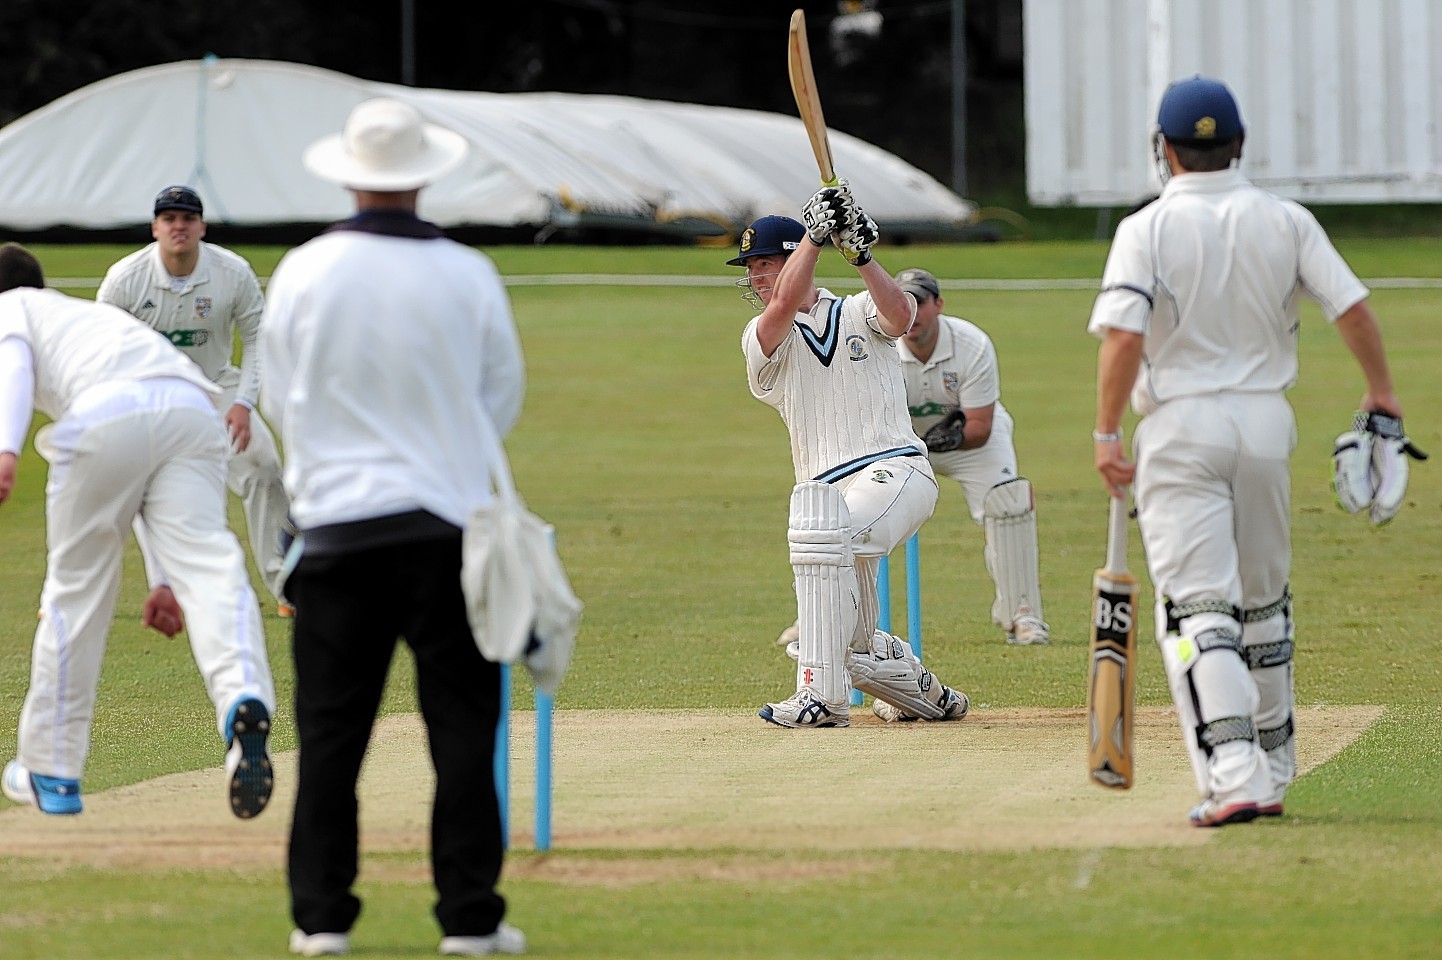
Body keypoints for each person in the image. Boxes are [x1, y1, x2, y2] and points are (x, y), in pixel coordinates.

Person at [1088, 76, 1406, 827]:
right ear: (1241, 144)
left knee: (1198, 612)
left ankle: (1235, 776)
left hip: (1181, 426)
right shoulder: (1285, 219)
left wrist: (1105, 433)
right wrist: (1383, 393)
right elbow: (1351, 307)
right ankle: (1273, 760)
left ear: (1164, 151)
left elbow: (1126, 337)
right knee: (1262, 604)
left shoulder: (1146, 228)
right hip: (1268, 425)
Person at [260, 98, 526, 957]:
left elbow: (278, 394)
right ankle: (470, 921)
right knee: (461, 731)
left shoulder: (303, 268)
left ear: (348, 172)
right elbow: (501, 396)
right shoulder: (467, 271)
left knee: (331, 737)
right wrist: (443, 448)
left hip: (336, 532)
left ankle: (322, 920)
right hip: (444, 526)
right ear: (422, 177)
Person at [0, 243, 275, 820]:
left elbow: (14, 363)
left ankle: (52, 769)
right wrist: (162, 578)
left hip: (106, 412)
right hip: (193, 410)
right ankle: (243, 699)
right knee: (211, 568)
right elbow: (149, 453)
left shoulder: (13, 308)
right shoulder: (89, 317)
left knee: (76, 590)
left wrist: (6, 449)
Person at [733, 183, 969, 729]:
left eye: (763, 264)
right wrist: (814, 238)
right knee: (846, 641)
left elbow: (901, 316)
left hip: (898, 470)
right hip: (827, 493)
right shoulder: (761, 335)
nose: (754, 278)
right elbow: (785, 306)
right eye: (749, 269)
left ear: (792, 260)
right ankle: (927, 696)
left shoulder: (862, 311)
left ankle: (821, 701)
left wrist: (860, 254)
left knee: (821, 545)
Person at [98, 185, 293, 616]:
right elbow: (102, 346)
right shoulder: (125, 279)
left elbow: (259, 338)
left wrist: (243, 402)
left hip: (216, 387)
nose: (178, 227)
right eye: (169, 219)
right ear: (155, 228)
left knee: (263, 467)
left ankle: (286, 586)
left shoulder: (233, 272)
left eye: (187, 218)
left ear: (202, 226)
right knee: (126, 485)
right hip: (150, 392)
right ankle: (104, 591)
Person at [894, 266, 1049, 646]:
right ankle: (822, 622)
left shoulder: (972, 344)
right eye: (903, 302)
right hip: (901, 443)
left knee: (1008, 505)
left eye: (920, 302)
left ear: (938, 305)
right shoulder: (877, 345)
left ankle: (1022, 615)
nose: (912, 312)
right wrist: (912, 448)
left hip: (967, 443)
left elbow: (980, 427)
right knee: (851, 505)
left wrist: (935, 443)